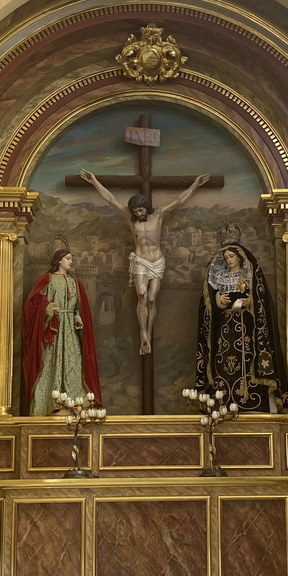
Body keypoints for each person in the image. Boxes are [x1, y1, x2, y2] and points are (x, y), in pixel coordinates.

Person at [79, 169, 209, 354]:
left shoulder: (159, 214)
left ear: (146, 207)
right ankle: (143, 334)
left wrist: (195, 185)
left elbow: (180, 200)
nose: (137, 213)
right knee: (141, 295)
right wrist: (94, 182)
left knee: (151, 300)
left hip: (157, 262)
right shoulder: (131, 219)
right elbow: (110, 199)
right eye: (134, 210)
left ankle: (148, 331)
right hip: (140, 260)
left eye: (140, 209)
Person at [195, 241, 288, 412]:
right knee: (222, 362)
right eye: (226, 258)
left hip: (246, 327)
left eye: (231, 256)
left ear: (239, 257)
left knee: (247, 359)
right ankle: (223, 399)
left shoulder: (249, 274)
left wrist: (252, 301)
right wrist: (219, 301)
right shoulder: (221, 277)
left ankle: (251, 397)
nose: (229, 260)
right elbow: (209, 303)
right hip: (224, 328)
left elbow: (261, 299)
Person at [22, 248, 101, 415]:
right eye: (67, 258)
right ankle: (51, 404)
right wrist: (47, 307)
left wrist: (77, 317)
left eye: (71, 258)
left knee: (73, 360)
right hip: (55, 328)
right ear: (59, 260)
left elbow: (78, 308)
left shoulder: (75, 282)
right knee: (53, 361)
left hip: (71, 331)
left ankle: (75, 403)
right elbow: (33, 301)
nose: (70, 262)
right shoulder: (48, 279)